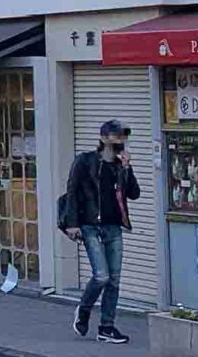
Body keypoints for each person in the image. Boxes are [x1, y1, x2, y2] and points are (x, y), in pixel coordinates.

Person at [64, 119, 141, 345]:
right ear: (103, 138)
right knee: (102, 276)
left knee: (114, 280)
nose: (121, 140)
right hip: (89, 226)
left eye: (123, 136)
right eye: (116, 135)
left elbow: (134, 194)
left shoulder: (119, 165)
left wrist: (128, 168)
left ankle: (106, 327)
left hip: (113, 226)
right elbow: (71, 192)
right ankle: (84, 309)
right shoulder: (85, 161)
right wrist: (72, 223)